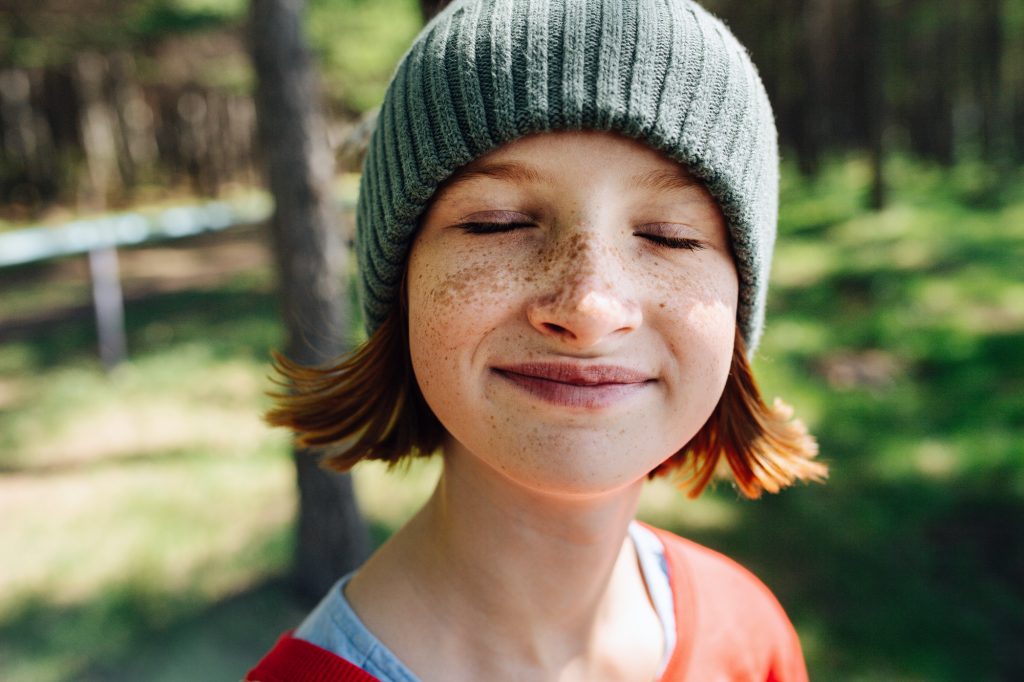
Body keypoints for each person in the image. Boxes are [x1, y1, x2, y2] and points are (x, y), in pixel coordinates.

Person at [247, 0, 827, 680]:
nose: (588, 306)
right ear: (399, 285)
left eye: (670, 236)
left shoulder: (750, 636)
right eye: (497, 224)